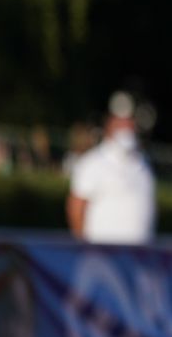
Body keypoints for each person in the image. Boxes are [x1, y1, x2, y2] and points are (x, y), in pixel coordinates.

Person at [66, 92, 155, 244]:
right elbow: (76, 209)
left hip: (139, 259)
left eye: (129, 121)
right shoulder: (91, 163)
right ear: (110, 122)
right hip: (102, 259)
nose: (126, 126)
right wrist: (86, 248)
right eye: (120, 121)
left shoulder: (143, 163)